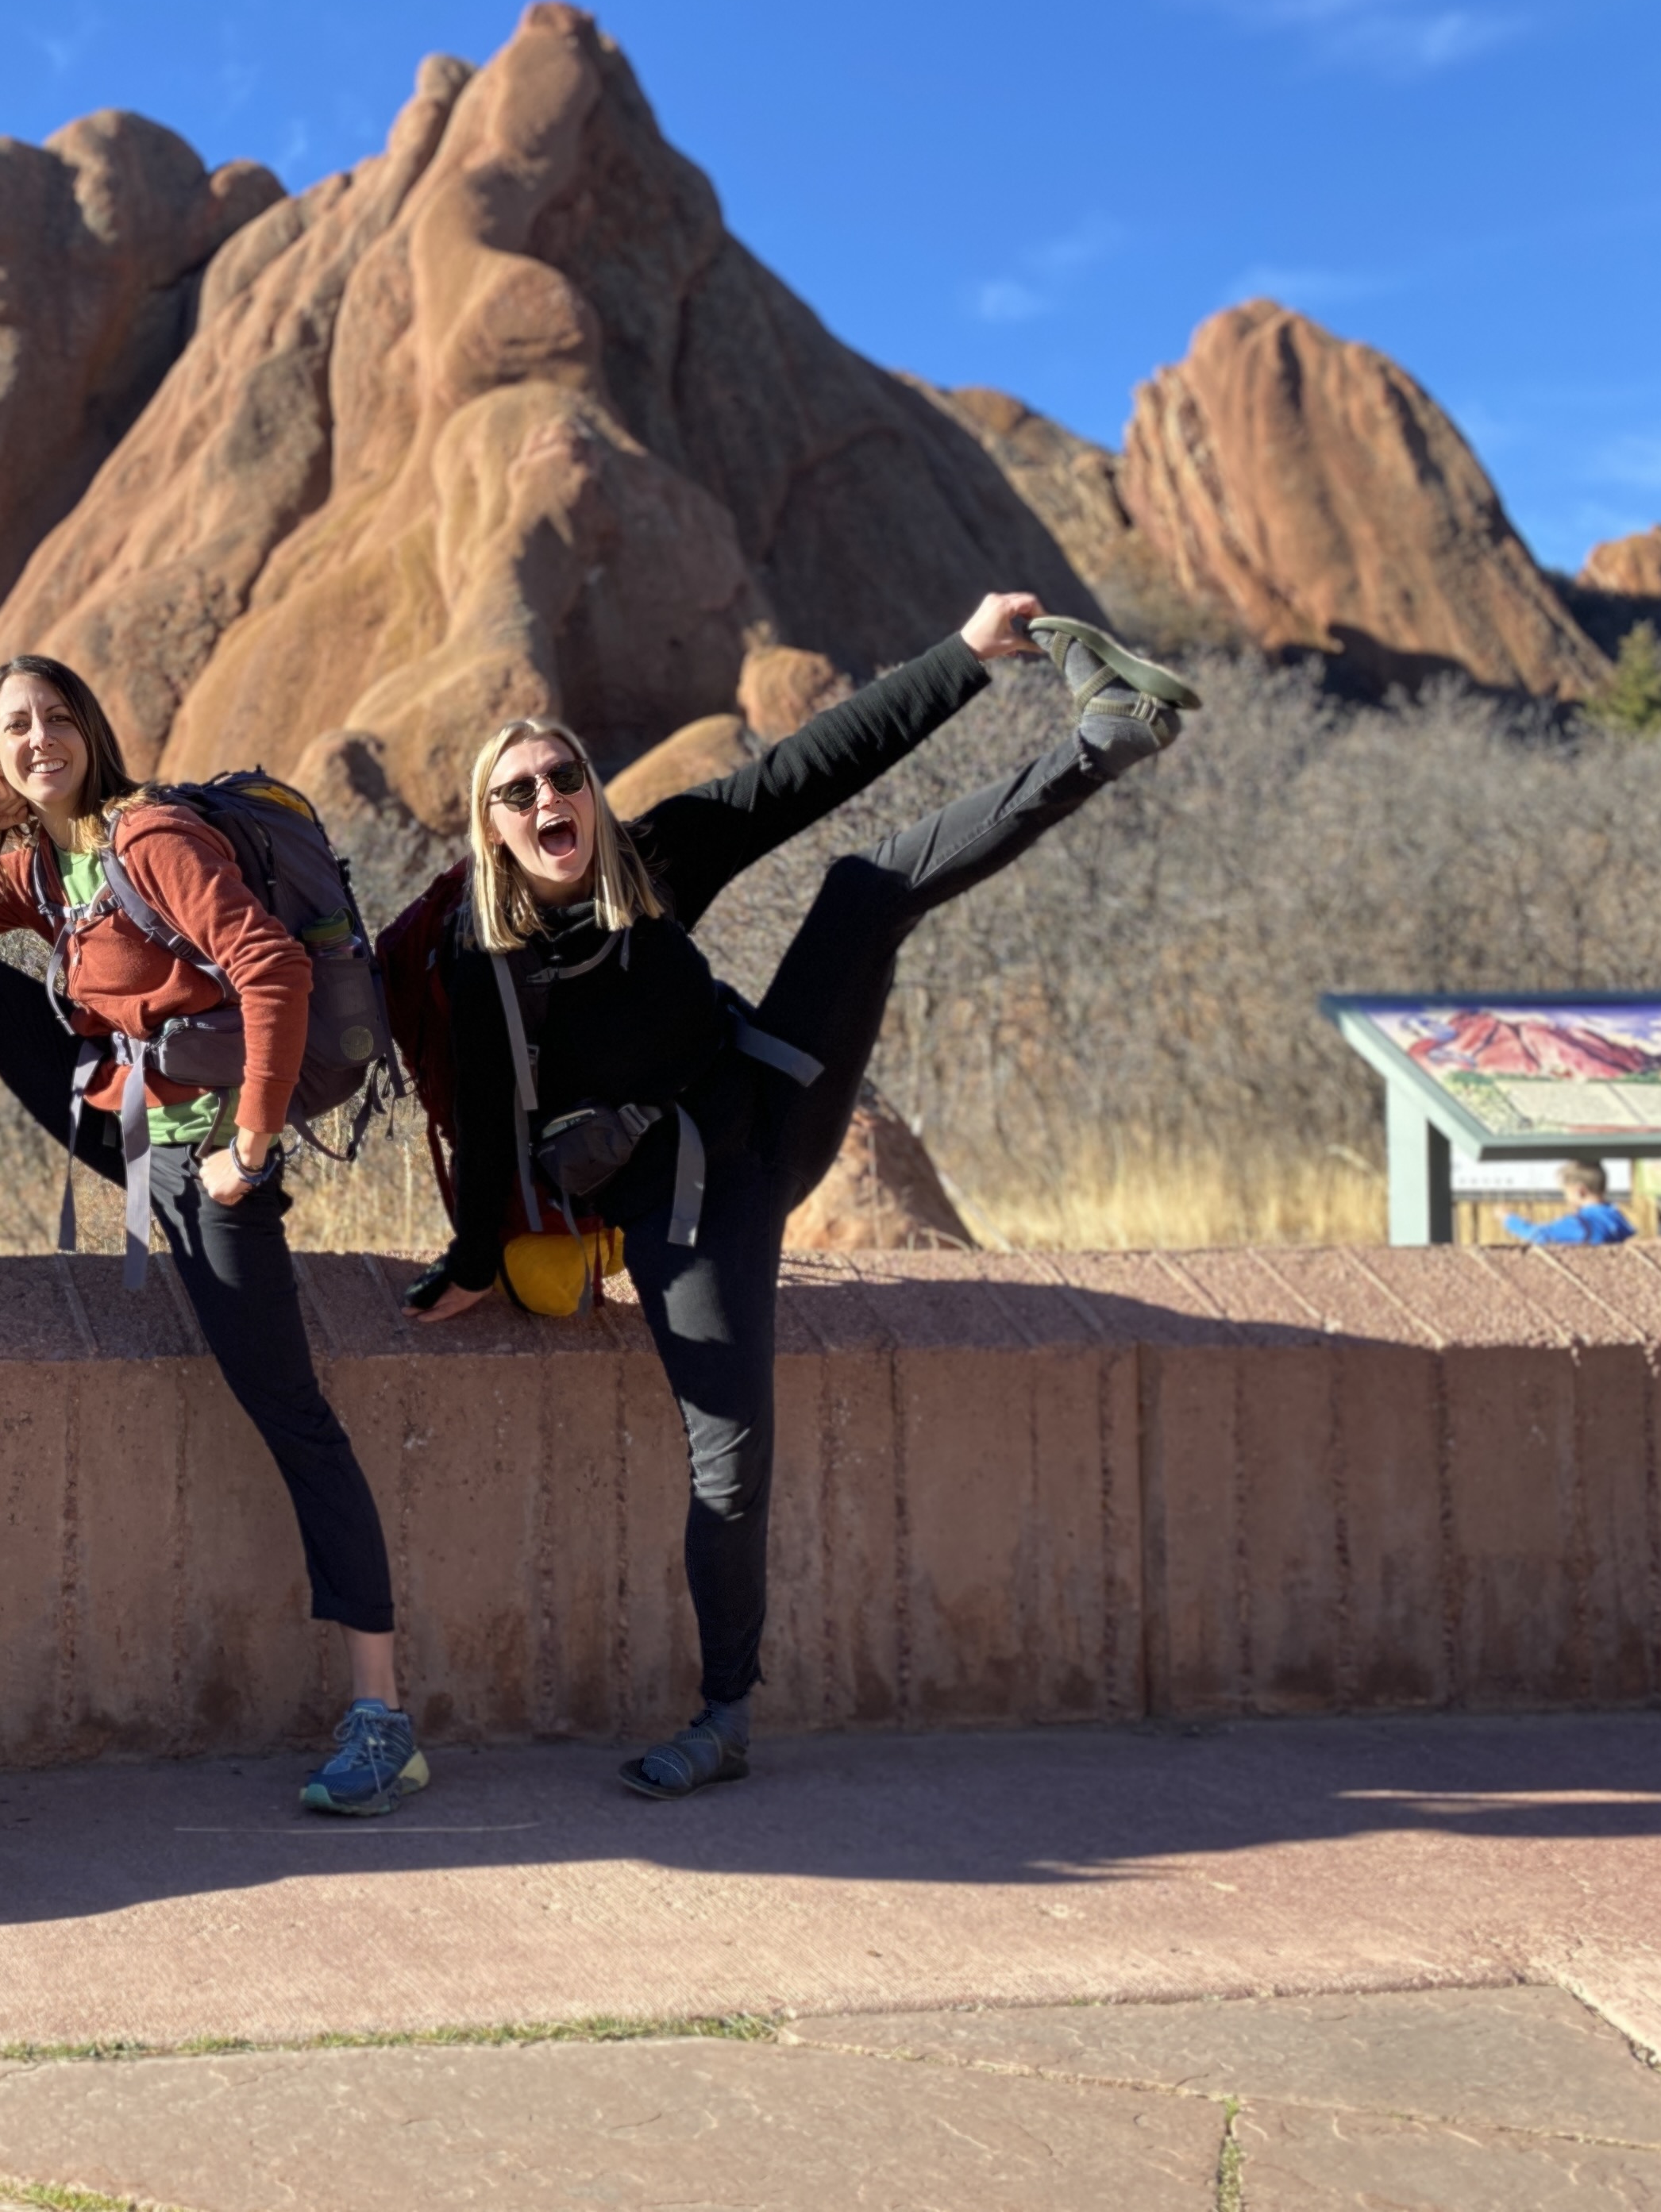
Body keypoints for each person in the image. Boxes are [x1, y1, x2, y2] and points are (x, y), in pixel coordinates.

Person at [409, 601, 1199, 1802]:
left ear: (591, 789)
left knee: (861, 886)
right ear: (491, 825)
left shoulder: (657, 855)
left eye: (561, 777)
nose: (544, 803)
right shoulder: (485, 960)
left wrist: (969, 655)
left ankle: (1106, 734)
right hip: (683, 1216)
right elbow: (476, 1113)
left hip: (776, 1108)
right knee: (727, 1461)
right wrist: (472, 1259)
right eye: (516, 793)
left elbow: (809, 769)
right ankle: (726, 1713)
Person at [0, 657, 427, 1817]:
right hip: (117, 1111)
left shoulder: (149, 836)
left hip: (202, 1147)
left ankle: (383, 1718)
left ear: (90, 731)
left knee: (288, 1407)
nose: (37, 739)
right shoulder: (39, 868)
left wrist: (250, 1149)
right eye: (13, 727)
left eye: (55, 718)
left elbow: (267, 968)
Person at [1505, 1162, 1636, 1244]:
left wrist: (1510, 1219)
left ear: (1580, 1191)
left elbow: (1539, 1236)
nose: (1566, 1199)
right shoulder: (1617, 1218)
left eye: (1565, 1193)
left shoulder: (1580, 1224)